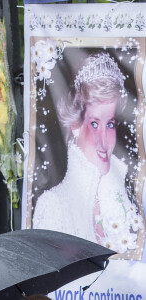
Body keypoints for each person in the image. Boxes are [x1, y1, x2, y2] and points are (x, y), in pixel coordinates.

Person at [33, 52, 144, 255]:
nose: (104, 141)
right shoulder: (52, 205)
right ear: (76, 124)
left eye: (110, 124)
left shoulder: (128, 200)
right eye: (94, 124)